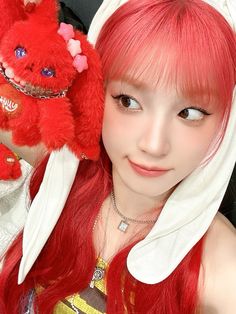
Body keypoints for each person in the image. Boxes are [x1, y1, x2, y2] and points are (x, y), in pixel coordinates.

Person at [0, 0, 236, 313]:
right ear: (96, 92)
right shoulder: (64, 169)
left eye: (189, 112)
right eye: (128, 101)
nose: (154, 144)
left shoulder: (217, 267)